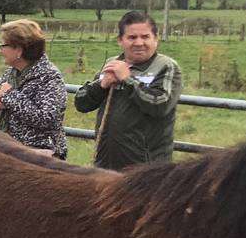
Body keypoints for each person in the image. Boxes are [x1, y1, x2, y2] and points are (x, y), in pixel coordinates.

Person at [73, 10, 181, 170]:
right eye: (132, 37)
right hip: (105, 164)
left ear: (155, 39)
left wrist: (128, 79)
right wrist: (102, 85)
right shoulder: (111, 64)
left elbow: (160, 105)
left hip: (146, 169)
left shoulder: (165, 66)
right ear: (120, 40)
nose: (139, 43)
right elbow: (81, 103)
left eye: (145, 37)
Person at [0, 19, 67, 158]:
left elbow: (46, 118)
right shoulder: (10, 73)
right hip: (10, 152)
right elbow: (0, 113)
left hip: (39, 158)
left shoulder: (49, 76)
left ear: (19, 50)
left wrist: (10, 96)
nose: (0, 50)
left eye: (3, 45)